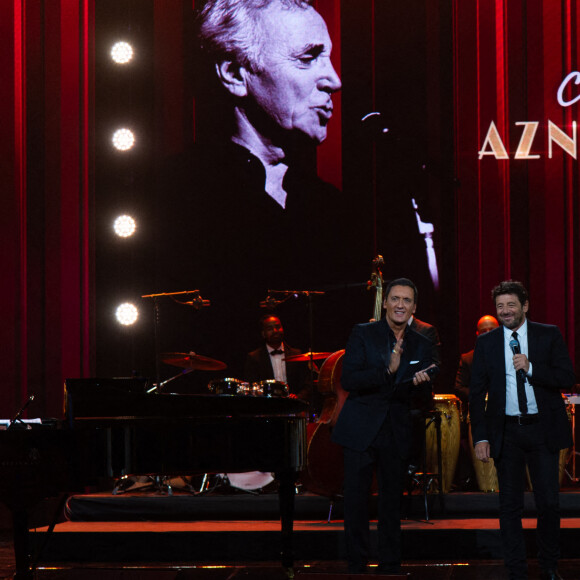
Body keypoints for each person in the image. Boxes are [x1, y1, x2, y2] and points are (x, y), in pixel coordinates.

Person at [155, 0, 364, 377]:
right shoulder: (174, 195)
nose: (334, 80)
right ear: (235, 74)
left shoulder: (331, 207)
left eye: (329, 58)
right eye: (308, 58)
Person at [470, 280, 574, 580]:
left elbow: (567, 376)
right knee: (509, 506)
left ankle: (550, 566)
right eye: (500, 306)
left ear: (524, 306)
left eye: (510, 305)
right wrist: (481, 436)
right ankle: (516, 569)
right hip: (507, 432)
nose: (505, 311)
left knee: (549, 504)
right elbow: (476, 394)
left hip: (543, 429)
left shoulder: (548, 334)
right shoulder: (486, 343)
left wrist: (531, 368)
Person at [332, 277, 436, 574]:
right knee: (355, 503)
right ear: (385, 302)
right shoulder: (363, 333)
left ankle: (390, 564)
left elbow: (423, 395)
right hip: (360, 430)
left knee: (391, 505)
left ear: (414, 307)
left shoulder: (423, 342)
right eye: (395, 299)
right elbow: (349, 380)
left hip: (396, 430)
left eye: (406, 300)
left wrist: (420, 384)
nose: (400, 305)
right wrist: (386, 370)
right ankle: (356, 564)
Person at [244, 314, 309, 402]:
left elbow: (307, 384)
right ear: (263, 334)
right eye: (270, 329)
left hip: (293, 405)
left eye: (278, 327)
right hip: (267, 407)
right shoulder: (254, 357)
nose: (275, 331)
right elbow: (251, 387)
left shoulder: (296, 354)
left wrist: (297, 397)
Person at [455, 314, 499, 413]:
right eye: (484, 331)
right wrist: (482, 395)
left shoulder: (510, 355)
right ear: (478, 334)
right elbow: (459, 387)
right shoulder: (467, 359)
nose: (488, 334)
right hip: (478, 412)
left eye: (492, 330)